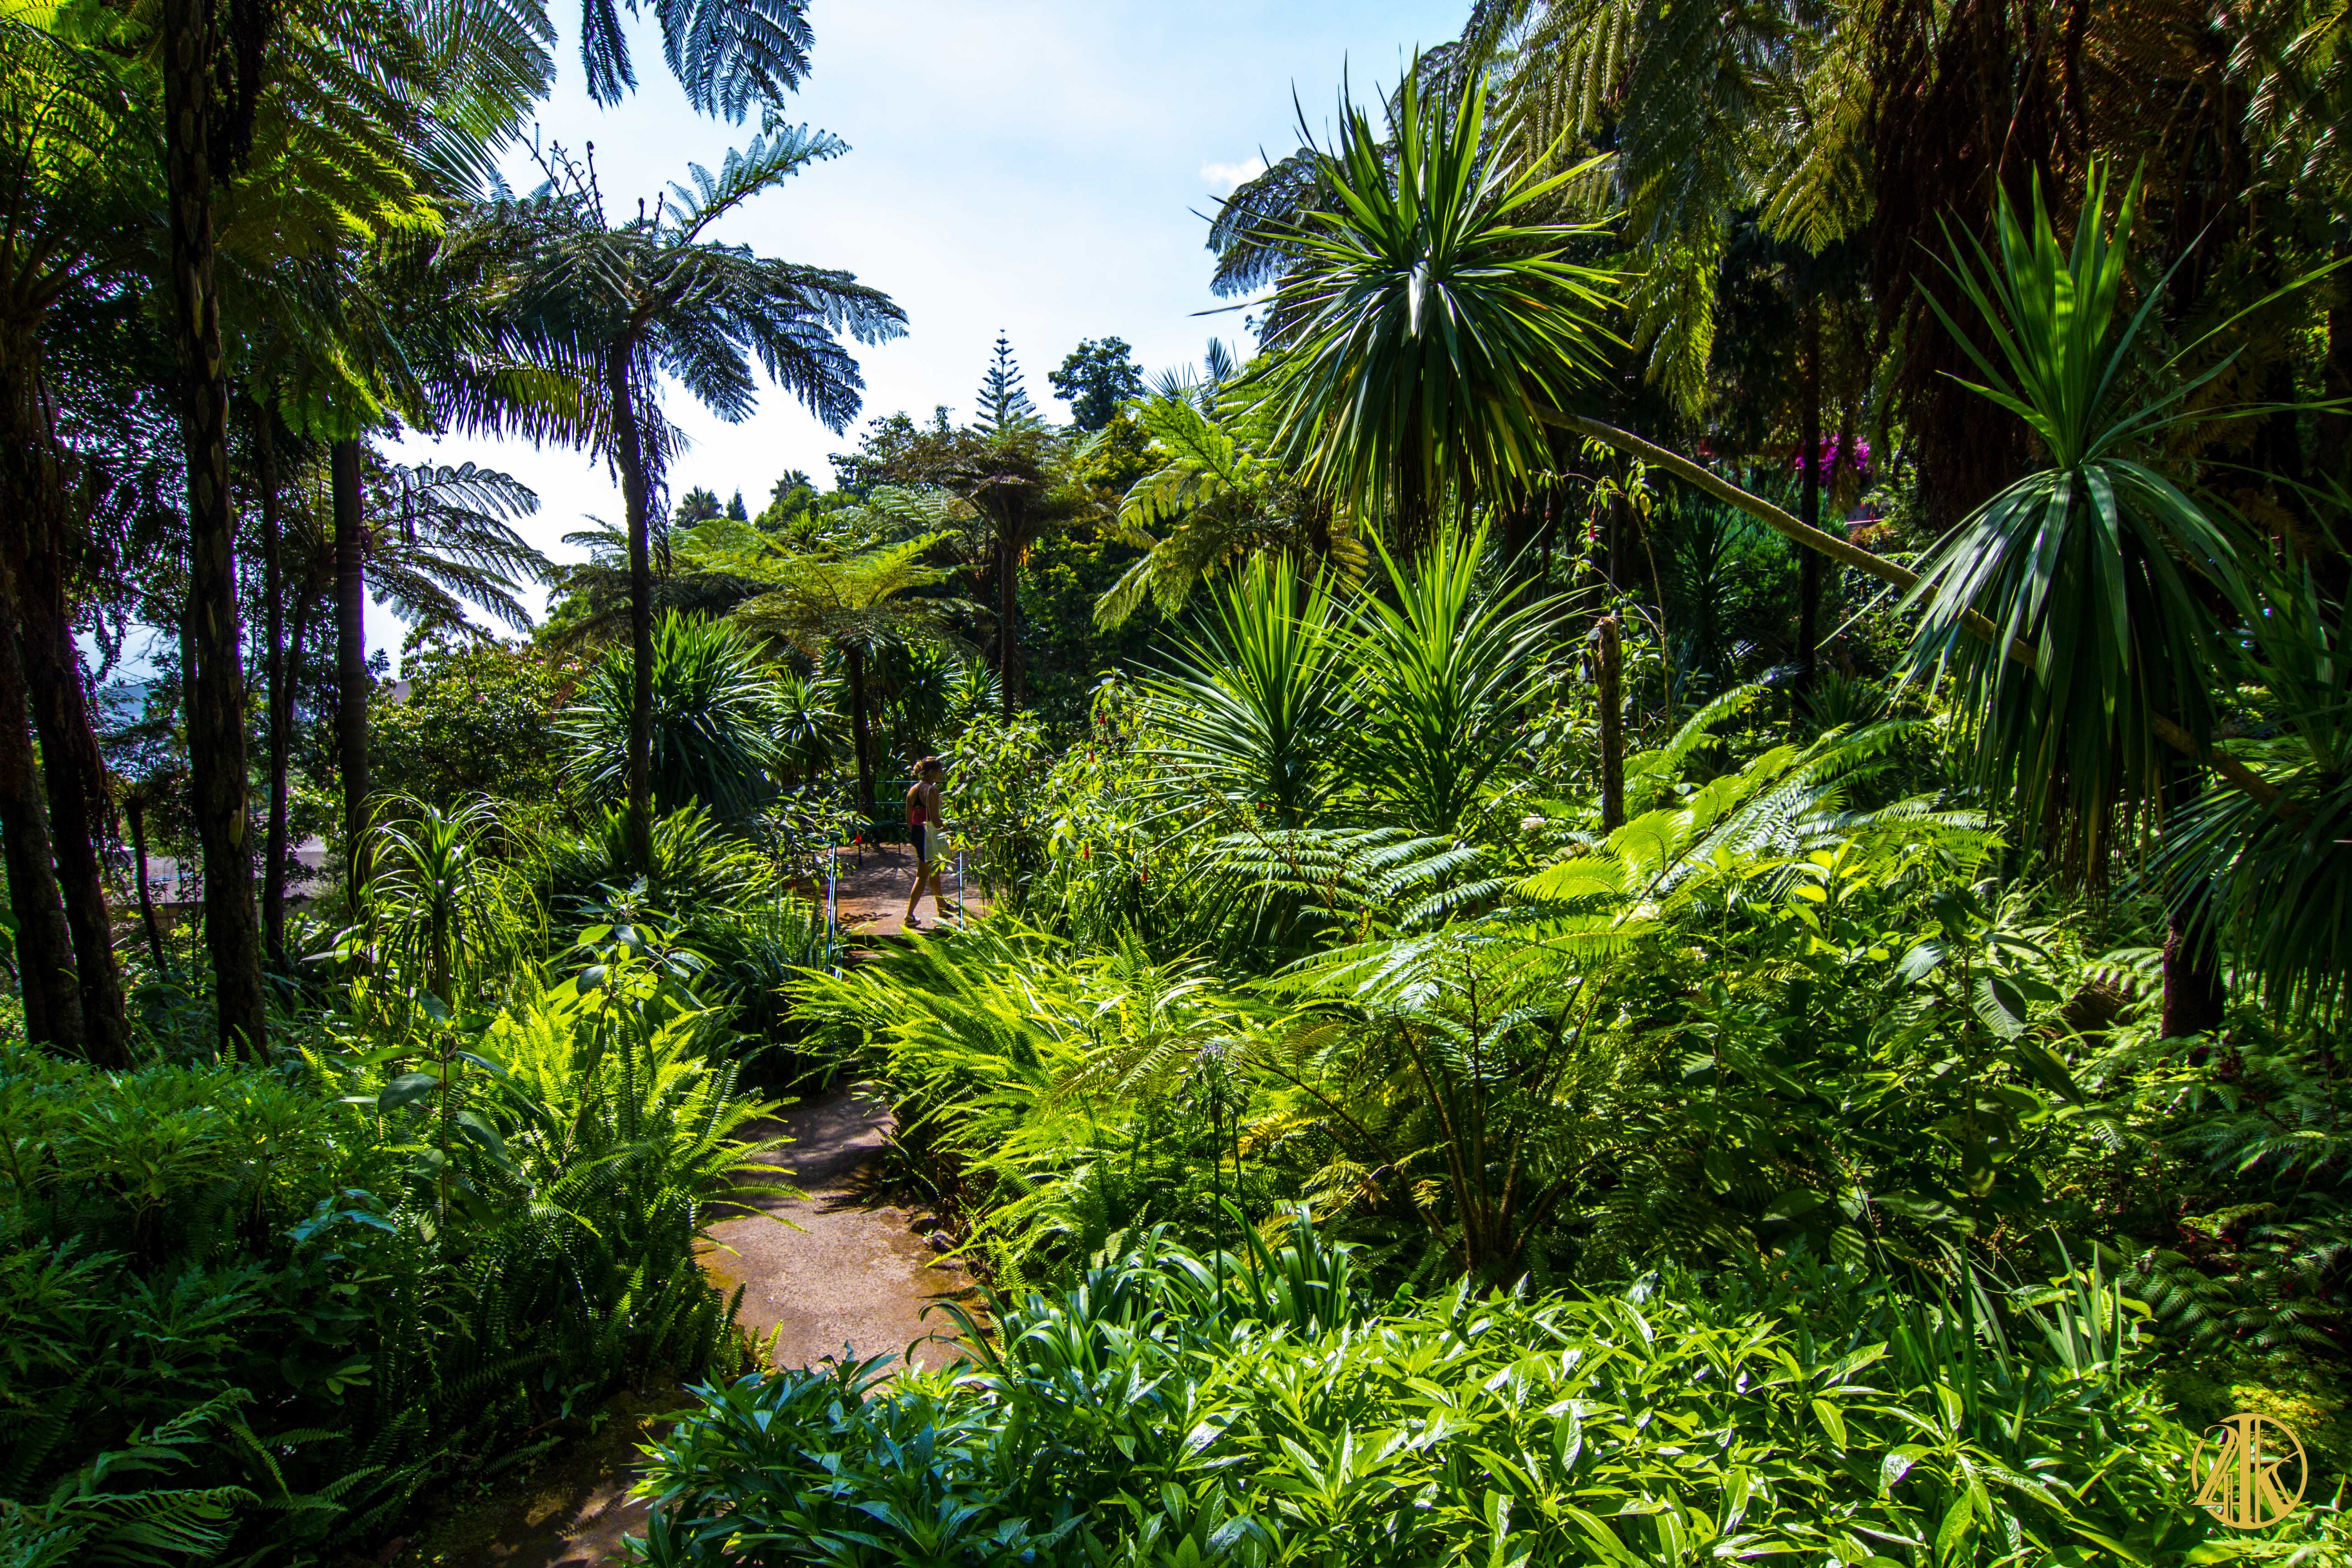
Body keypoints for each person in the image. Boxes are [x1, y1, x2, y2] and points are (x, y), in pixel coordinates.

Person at [902, 755, 951, 928]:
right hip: (928, 834)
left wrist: (917, 835)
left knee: (933, 872)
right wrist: (950, 832)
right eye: (940, 771)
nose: (941, 773)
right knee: (923, 875)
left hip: (918, 832)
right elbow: (936, 820)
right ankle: (909, 915)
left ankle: (942, 907)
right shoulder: (932, 790)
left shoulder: (913, 790)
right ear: (931, 772)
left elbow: (909, 819)